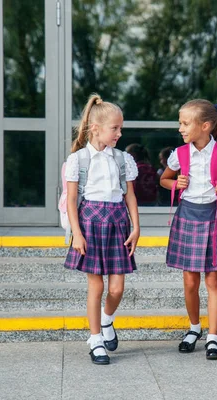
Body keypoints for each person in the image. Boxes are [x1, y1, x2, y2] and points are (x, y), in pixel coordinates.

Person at [159, 99, 217, 360]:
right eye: (180, 123)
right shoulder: (179, 154)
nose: (181, 128)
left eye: (185, 123)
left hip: (214, 217)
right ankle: (194, 328)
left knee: (212, 281)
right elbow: (164, 179)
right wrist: (176, 183)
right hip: (187, 216)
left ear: (206, 126)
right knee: (190, 281)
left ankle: (213, 337)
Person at [64, 94, 140, 365]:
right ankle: (95, 340)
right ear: (95, 128)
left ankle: (107, 320)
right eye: (115, 128)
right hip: (89, 223)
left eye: (121, 128)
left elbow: (130, 196)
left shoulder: (122, 159)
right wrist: (77, 234)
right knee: (96, 286)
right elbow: (72, 200)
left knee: (117, 288)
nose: (119, 133)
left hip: (118, 223)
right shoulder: (79, 159)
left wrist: (136, 227)